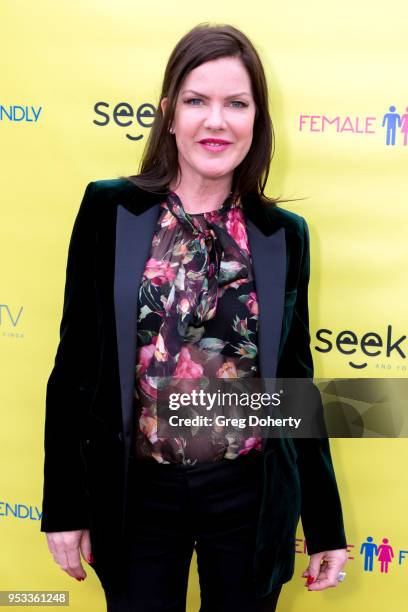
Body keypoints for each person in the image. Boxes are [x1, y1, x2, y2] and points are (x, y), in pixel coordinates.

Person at [40, 23, 348, 612]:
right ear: (168, 113)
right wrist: (64, 506)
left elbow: (294, 383)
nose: (216, 121)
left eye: (236, 103)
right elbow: (75, 367)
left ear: (256, 118)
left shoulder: (283, 235)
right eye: (196, 100)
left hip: (250, 499)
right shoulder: (110, 210)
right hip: (136, 497)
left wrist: (325, 524)